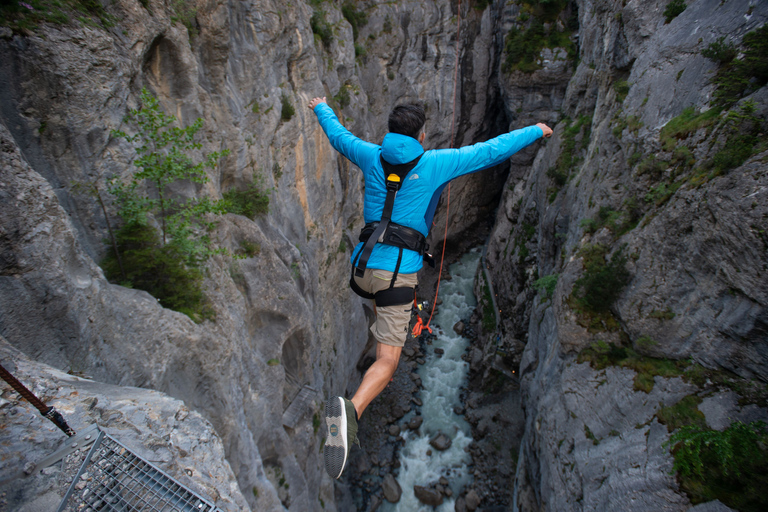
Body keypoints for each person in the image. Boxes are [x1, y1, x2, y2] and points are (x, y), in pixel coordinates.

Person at [308, 97, 552, 479]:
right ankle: (350, 413)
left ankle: (387, 329)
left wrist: (321, 107)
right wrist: (536, 130)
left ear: (390, 131)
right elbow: (490, 150)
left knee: (384, 315)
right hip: (396, 277)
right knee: (388, 362)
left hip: (361, 270)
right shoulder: (434, 163)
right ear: (422, 135)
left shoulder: (369, 155)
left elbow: (338, 136)